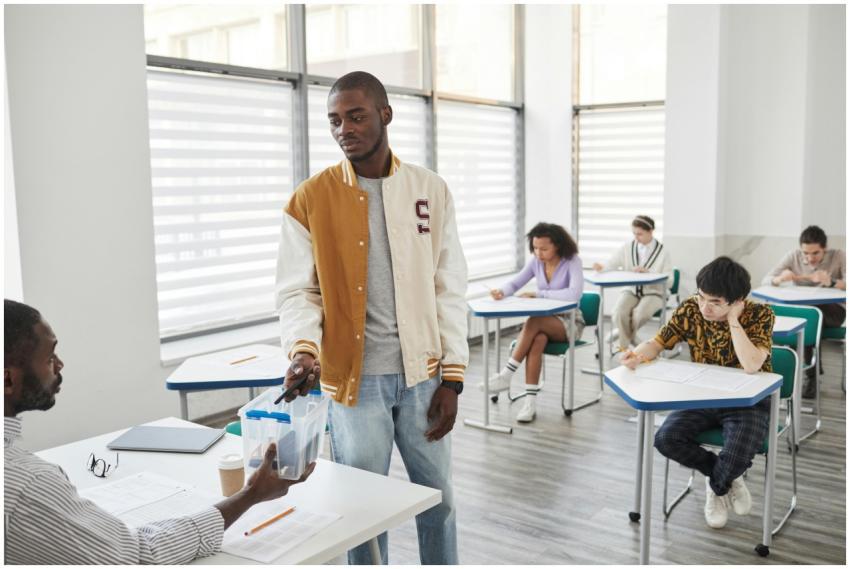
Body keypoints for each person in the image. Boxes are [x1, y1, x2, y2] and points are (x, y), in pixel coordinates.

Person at [274, 71, 467, 565]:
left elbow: (448, 286)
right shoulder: (309, 199)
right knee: (359, 511)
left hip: (424, 377)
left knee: (439, 500)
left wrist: (453, 378)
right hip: (354, 385)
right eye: (335, 121)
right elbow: (298, 291)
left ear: (385, 114)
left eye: (356, 116)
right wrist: (302, 349)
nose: (345, 130)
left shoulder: (429, 189)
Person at [4, 299, 314, 565]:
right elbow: (139, 556)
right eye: (49, 358)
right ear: (7, 380)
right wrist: (251, 494)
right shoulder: (27, 484)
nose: (60, 365)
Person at [621, 257, 775, 530]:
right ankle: (723, 477)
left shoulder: (761, 314)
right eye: (702, 297)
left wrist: (733, 320)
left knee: (737, 454)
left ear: (738, 300)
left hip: (747, 401)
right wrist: (637, 355)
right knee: (666, 439)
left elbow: (752, 365)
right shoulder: (691, 308)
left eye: (715, 302)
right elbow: (658, 342)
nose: (704, 307)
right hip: (702, 395)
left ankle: (716, 487)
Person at [483, 222, 584, 423]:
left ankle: (506, 374)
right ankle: (529, 404)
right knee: (537, 340)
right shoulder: (536, 262)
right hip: (544, 322)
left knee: (534, 321)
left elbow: (574, 294)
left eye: (544, 249)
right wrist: (501, 291)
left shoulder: (572, 261)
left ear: (558, 245)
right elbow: (515, 283)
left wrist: (539, 294)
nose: (538, 253)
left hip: (570, 322)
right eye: (535, 248)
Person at [762, 224, 846, 397]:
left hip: (833, 311)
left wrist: (831, 282)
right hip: (804, 310)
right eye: (806, 253)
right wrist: (779, 279)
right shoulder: (793, 256)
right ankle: (807, 373)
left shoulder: (838, 256)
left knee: (806, 319)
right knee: (802, 319)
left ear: (825, 249)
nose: (810, 258)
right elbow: (766, 279)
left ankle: (803, 374)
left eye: (815, 253)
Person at [591, 215, 673, 351]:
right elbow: (612, 262)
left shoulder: (663, 252)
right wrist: (601, 267)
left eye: (640, 234)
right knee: (619, 313)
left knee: (639, 315)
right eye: (634, 233)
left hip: (655, 292)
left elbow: (670, 281)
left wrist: (649, 273)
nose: (636, 237)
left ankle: (623, 343)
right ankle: (634, 342)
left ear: (651, 231)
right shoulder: (628, 247)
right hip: (632, 290)